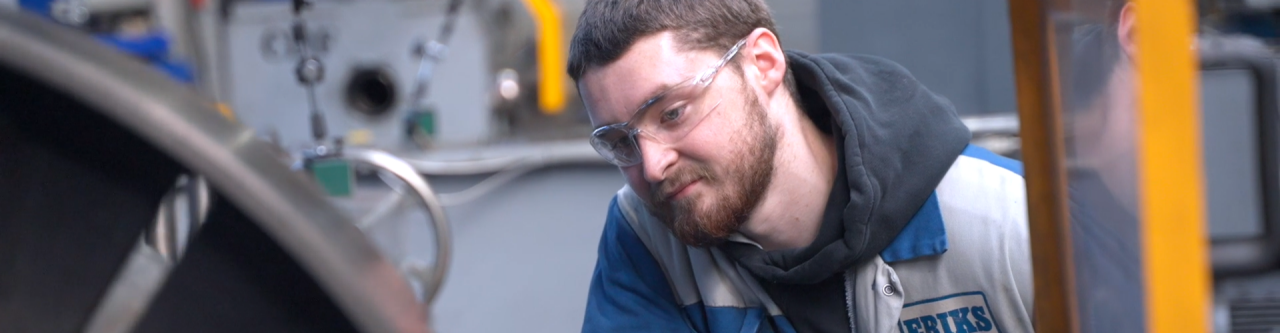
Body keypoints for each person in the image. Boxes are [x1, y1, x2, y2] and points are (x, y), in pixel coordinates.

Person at [569, 1, 1033, 332]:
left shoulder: (1011, 224)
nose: (651, 167)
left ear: (762, 63)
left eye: (672, 113)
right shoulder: (645, 237)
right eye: (620, 141)